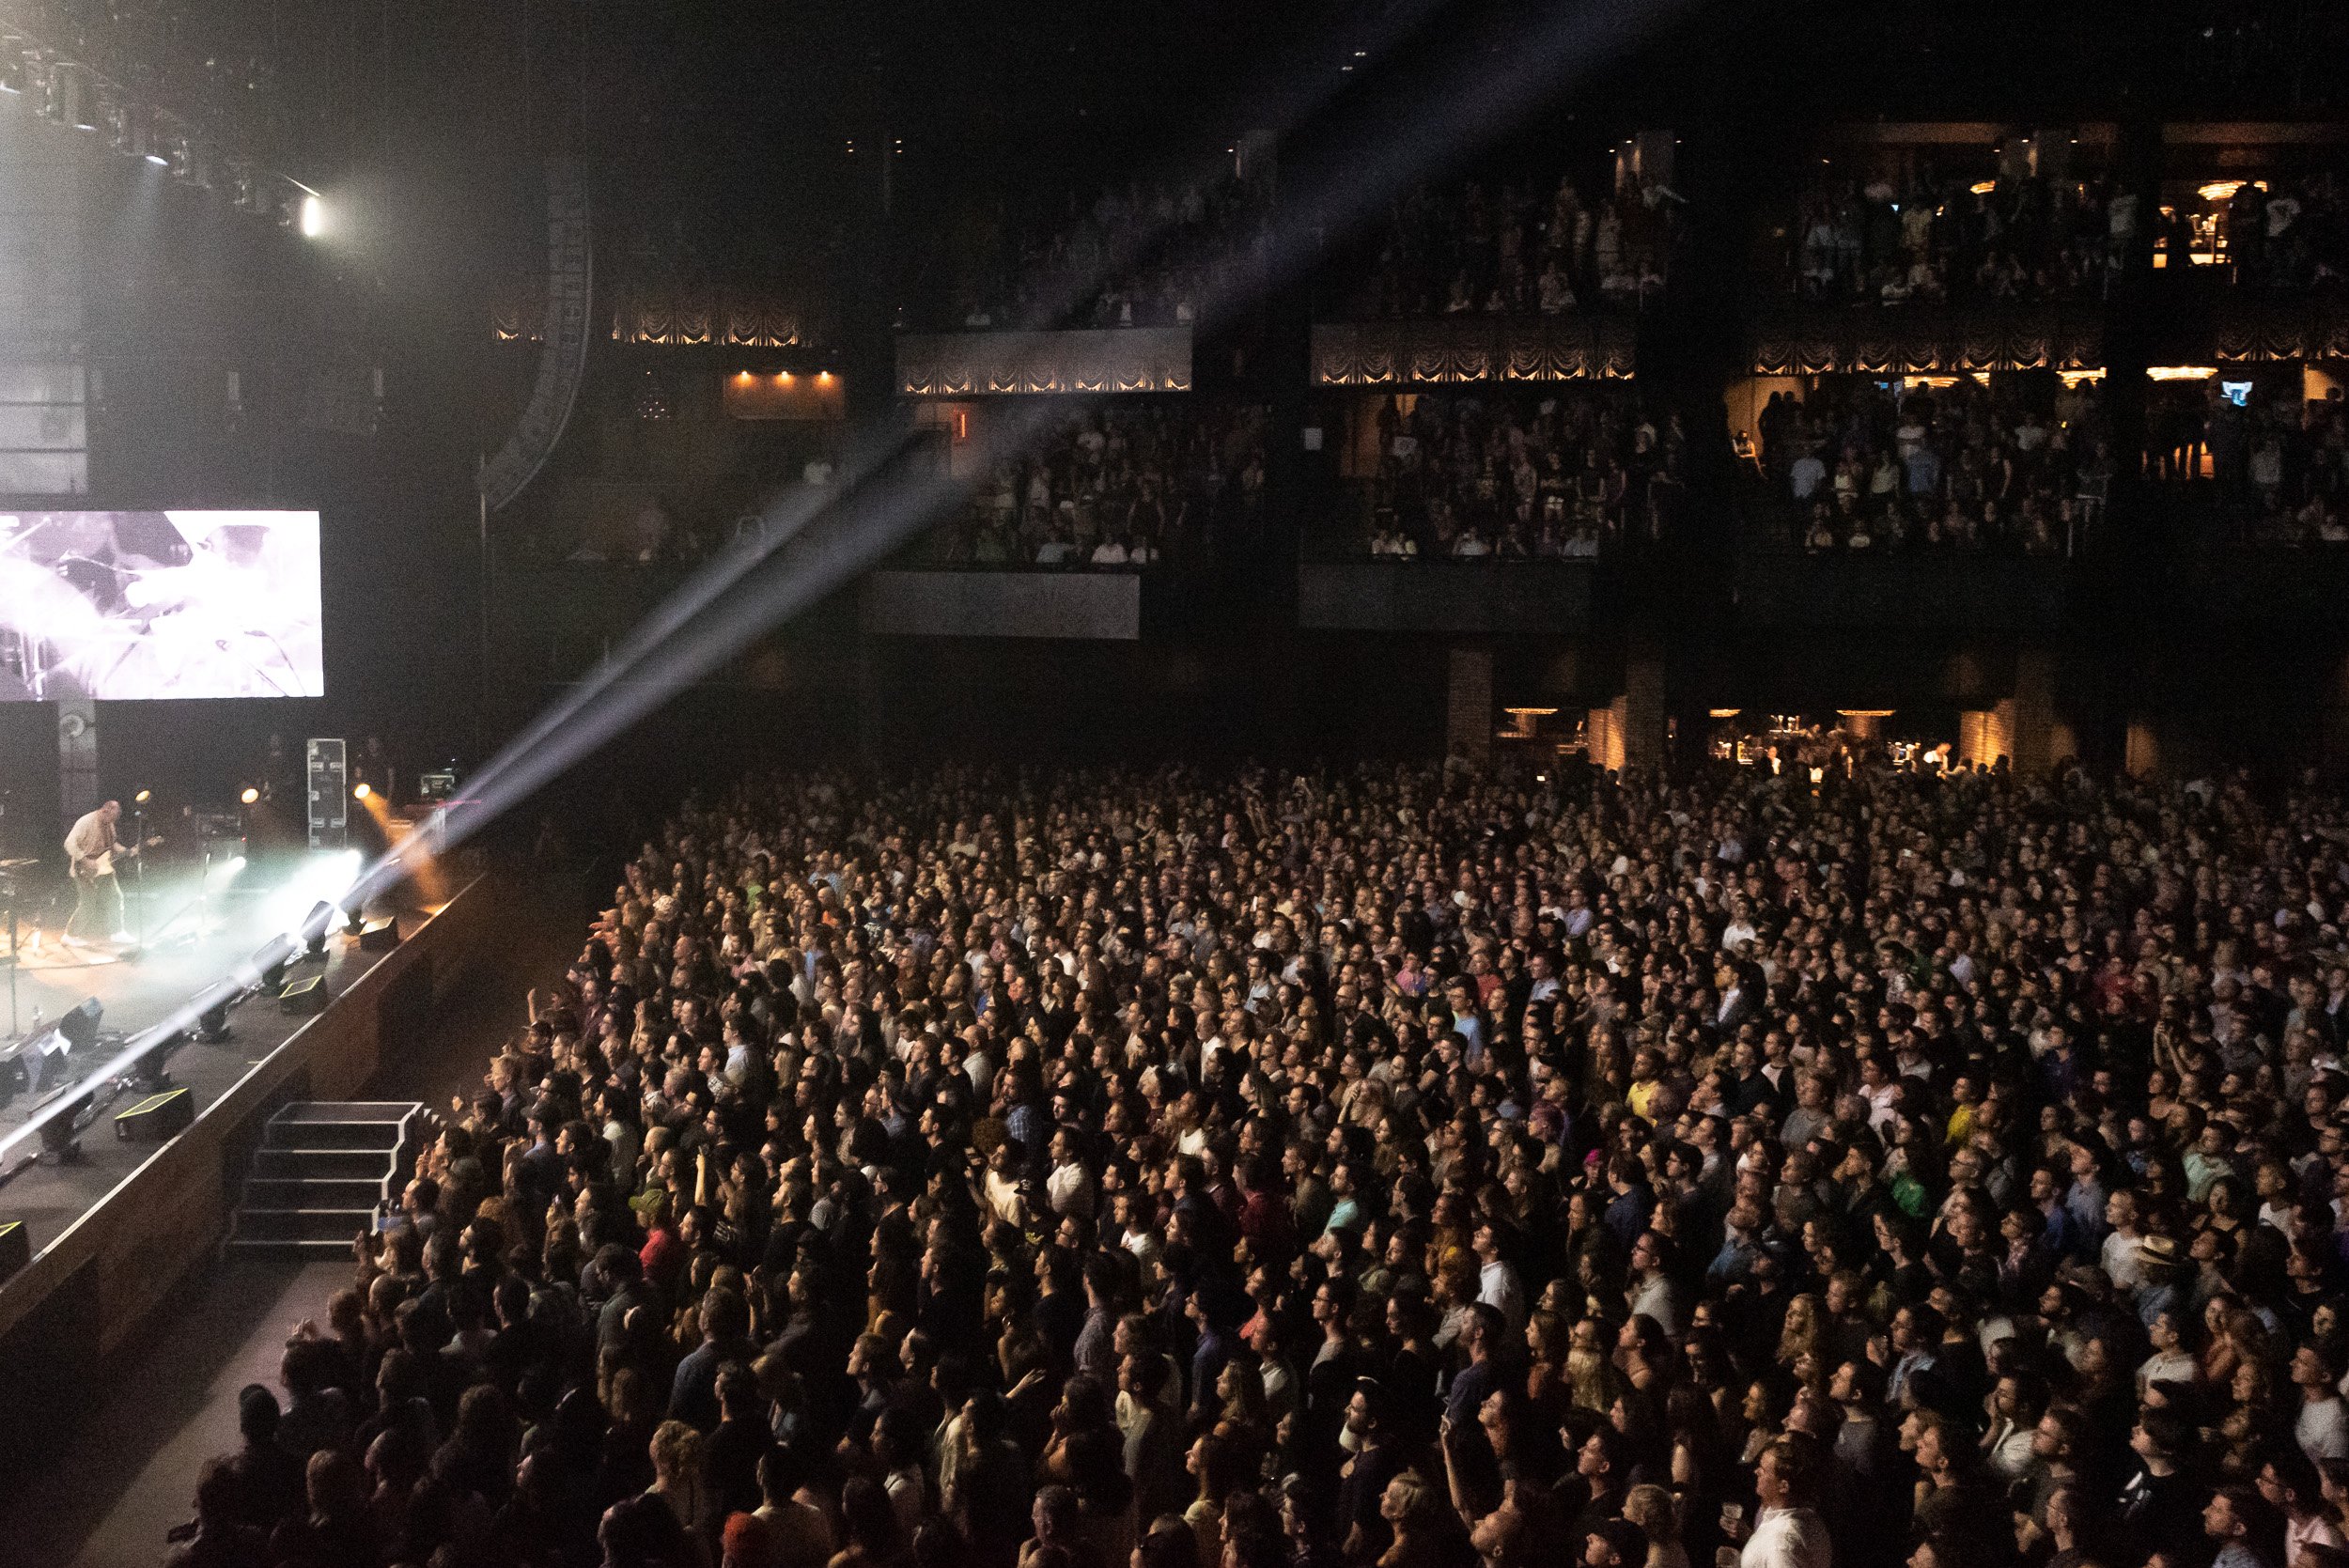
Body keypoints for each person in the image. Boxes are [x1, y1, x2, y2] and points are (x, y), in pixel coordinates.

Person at [62, 797, 133, 943]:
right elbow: (69, 843)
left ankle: (117, 932)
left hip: (103, 867)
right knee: (88, 903)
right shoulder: (86, 821)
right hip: (83, 869)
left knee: (115, 897)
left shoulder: (109, 823)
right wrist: (85, 859)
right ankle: (69, 935)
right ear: (105, 810)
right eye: (112, 817)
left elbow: (112, 845)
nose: (113, 821)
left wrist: (128, 851)